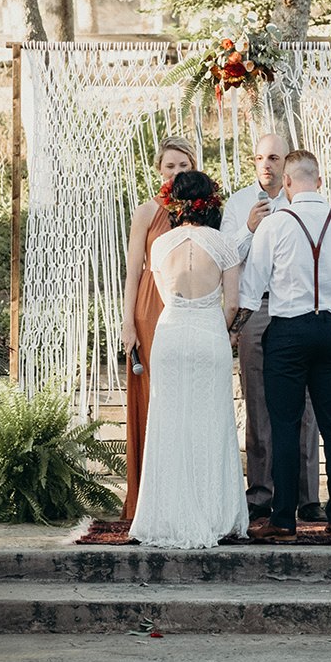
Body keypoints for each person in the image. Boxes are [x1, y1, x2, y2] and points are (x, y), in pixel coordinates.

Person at [239, 150, 331, 542]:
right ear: (320, 182)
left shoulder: (274, 226)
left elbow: (250, 287)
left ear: (288, 183)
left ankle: (284, 521)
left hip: (286, 333)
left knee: (285, 426)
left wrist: (232, 326)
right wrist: (329, 328)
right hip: (328, 330)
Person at [130, 171, 248, 548]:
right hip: (209, 335)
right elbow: (232, 302)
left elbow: (164, 294)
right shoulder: (224, 244)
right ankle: (214, 514)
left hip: (171, 333)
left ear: (175, 204)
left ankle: (166, 514)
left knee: (168, 422)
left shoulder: (160, 246)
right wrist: (219, 324)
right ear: (211, 203)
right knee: (211, 422)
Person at [220, 133, 323, 521]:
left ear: (287, 164)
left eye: (274, 158)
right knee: (258, 402)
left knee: (306, 404)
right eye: (260, 158)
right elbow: (225, 256)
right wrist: (247, 229)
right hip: (257, 310)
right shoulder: (238, 204)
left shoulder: (304, 202)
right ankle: (261, 492)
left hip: (298, 309)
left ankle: (306, 496)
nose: (266, 164)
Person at [120, 135, 196, 518]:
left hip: (191, 306)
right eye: (170, 166)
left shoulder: (203, 209)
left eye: (183, 165)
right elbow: (134, 270)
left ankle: (188, 492)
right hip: (151, 305)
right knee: (153, 396)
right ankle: (150, 497)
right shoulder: (147, 212)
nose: (177, 172)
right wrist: (127, 322)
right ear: (158, 169)